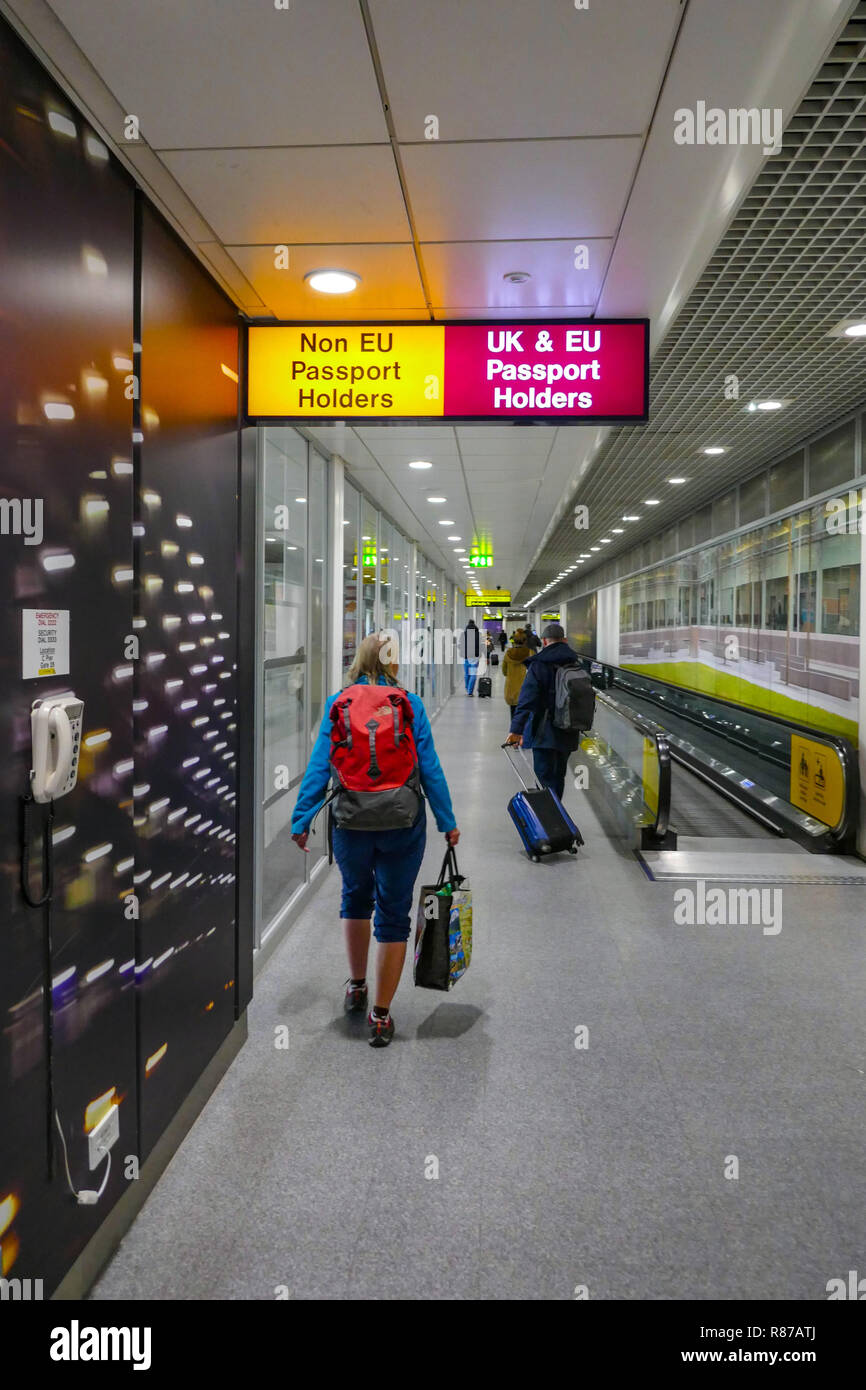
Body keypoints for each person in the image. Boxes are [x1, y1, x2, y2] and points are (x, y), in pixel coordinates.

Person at [291, 634, 459, 1048]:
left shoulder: (339, 702)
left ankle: (357, 985)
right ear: (393, 662)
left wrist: (302, 818)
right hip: (403, 823)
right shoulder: (410, 703)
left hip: (350, 822)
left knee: (354, 897)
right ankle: (381, 1015)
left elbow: (318, 767)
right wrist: (447, 821)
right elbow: (431, 769)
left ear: (358, 660)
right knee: (394, 914)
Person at [505, 622, 583, 800]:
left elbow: (527, 700)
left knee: (544, 777)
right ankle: (557, 814)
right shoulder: (575, 663)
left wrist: (516, 730)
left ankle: (550, 819)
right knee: (559, 776)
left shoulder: (539, 664)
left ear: (545, 642)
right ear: (564, 640)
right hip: (569, 728)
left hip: (544, 730)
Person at [502, 629, 533, 723]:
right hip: (526, 688)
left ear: (514, 641)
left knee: (513, 712)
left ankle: (514, 731)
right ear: (524, 641)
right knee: (525, 714)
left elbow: (504, 671)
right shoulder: (530, 653)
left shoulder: (508, 653)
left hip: (511, 688)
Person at [459, 619, 481, 695]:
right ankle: (470, 691)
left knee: (466, 674)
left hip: (466, 656)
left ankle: (467, 688)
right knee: (473, 674)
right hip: (474, 657)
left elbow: (461, 645)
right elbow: (480, 646)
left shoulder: (464, 634)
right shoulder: (478, 634)